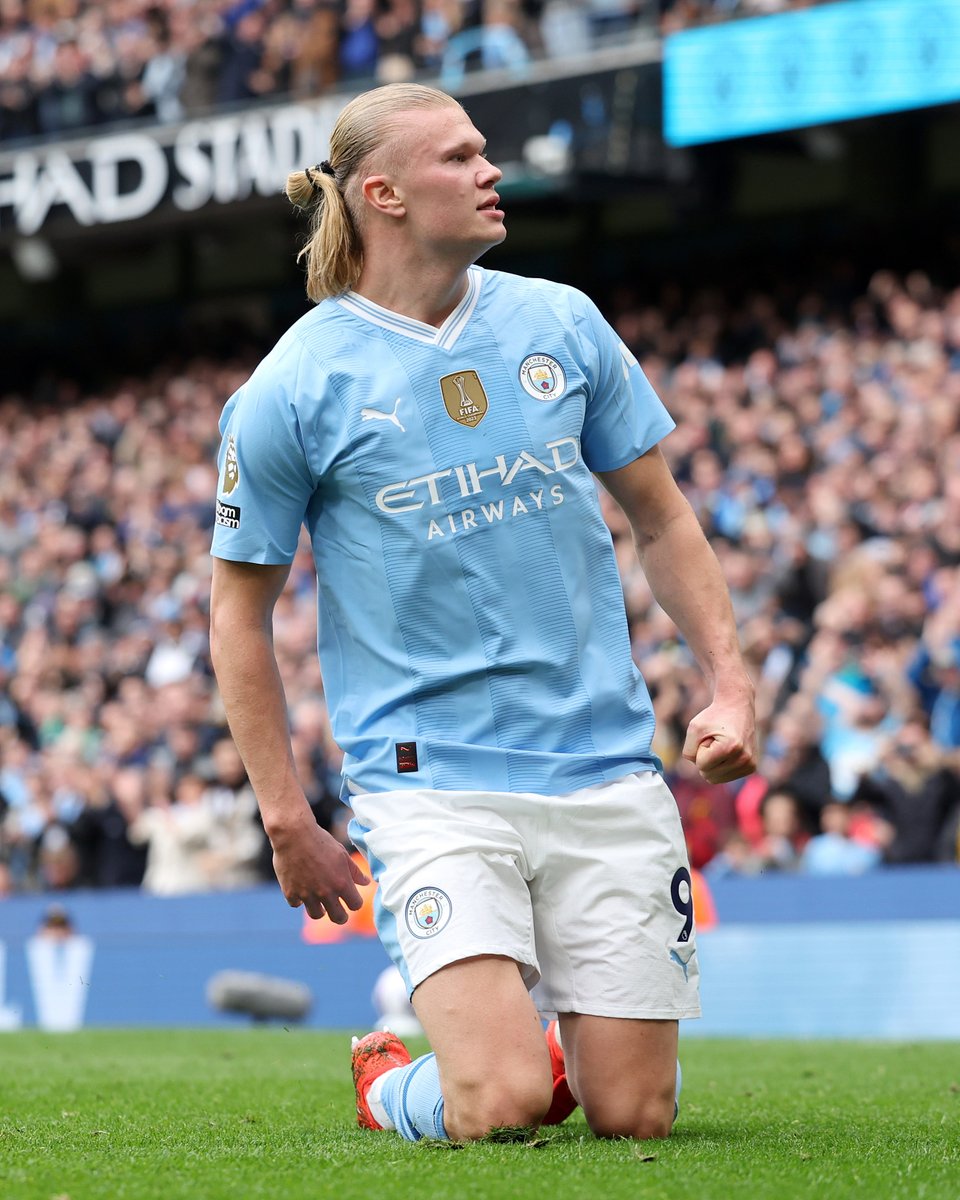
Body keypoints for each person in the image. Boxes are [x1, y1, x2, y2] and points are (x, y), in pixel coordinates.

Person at [208, 82, 757, 1144]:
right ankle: (395, 1088)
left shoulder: (559, 320)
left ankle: (540, 1040)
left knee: (634, 1116)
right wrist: (286, 816)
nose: (490, 170)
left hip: (603, 762)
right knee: (499, 1105)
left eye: (482, 151)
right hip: (429, 781)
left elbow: (663, 518)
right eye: (459, 157)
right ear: (385, 194)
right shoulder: (293, 386)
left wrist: (730, 682)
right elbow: (239, 616)